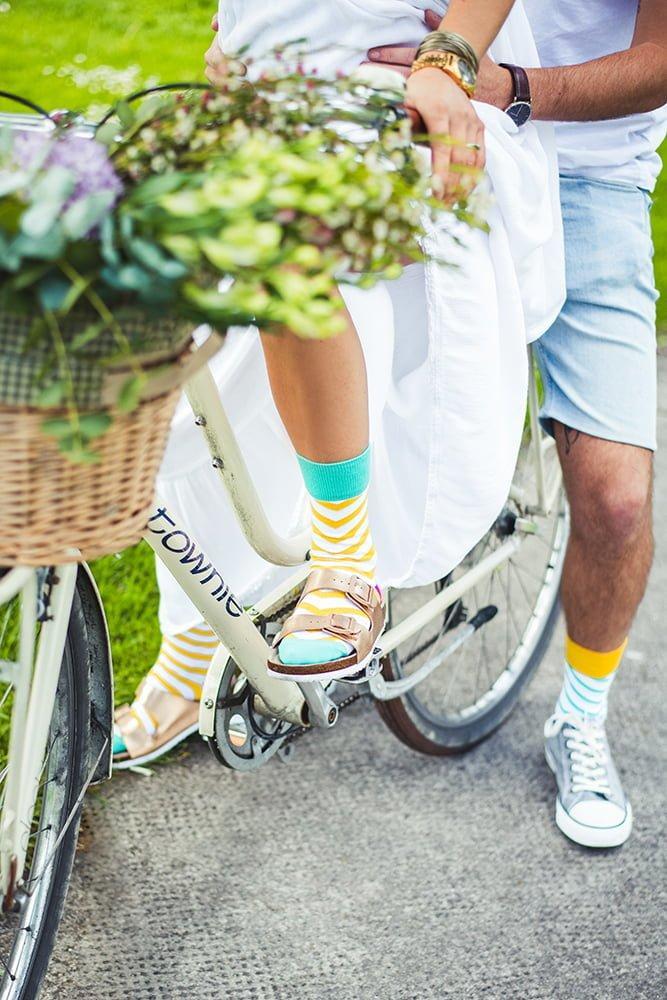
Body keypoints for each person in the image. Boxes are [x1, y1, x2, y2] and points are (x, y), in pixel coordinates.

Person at [113, 2, 565, 767]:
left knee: (282, 241)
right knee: (162, 321)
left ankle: (344, 555)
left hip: (412, 102)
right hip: (269, 105)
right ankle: (192, 649)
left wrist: (447, 61)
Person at [365, 0, 667, 848]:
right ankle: (214, 652)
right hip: (431, 132)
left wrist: (514, 87)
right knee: (310, 378)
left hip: (586, 174)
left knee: (615, 500)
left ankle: (581, 715)